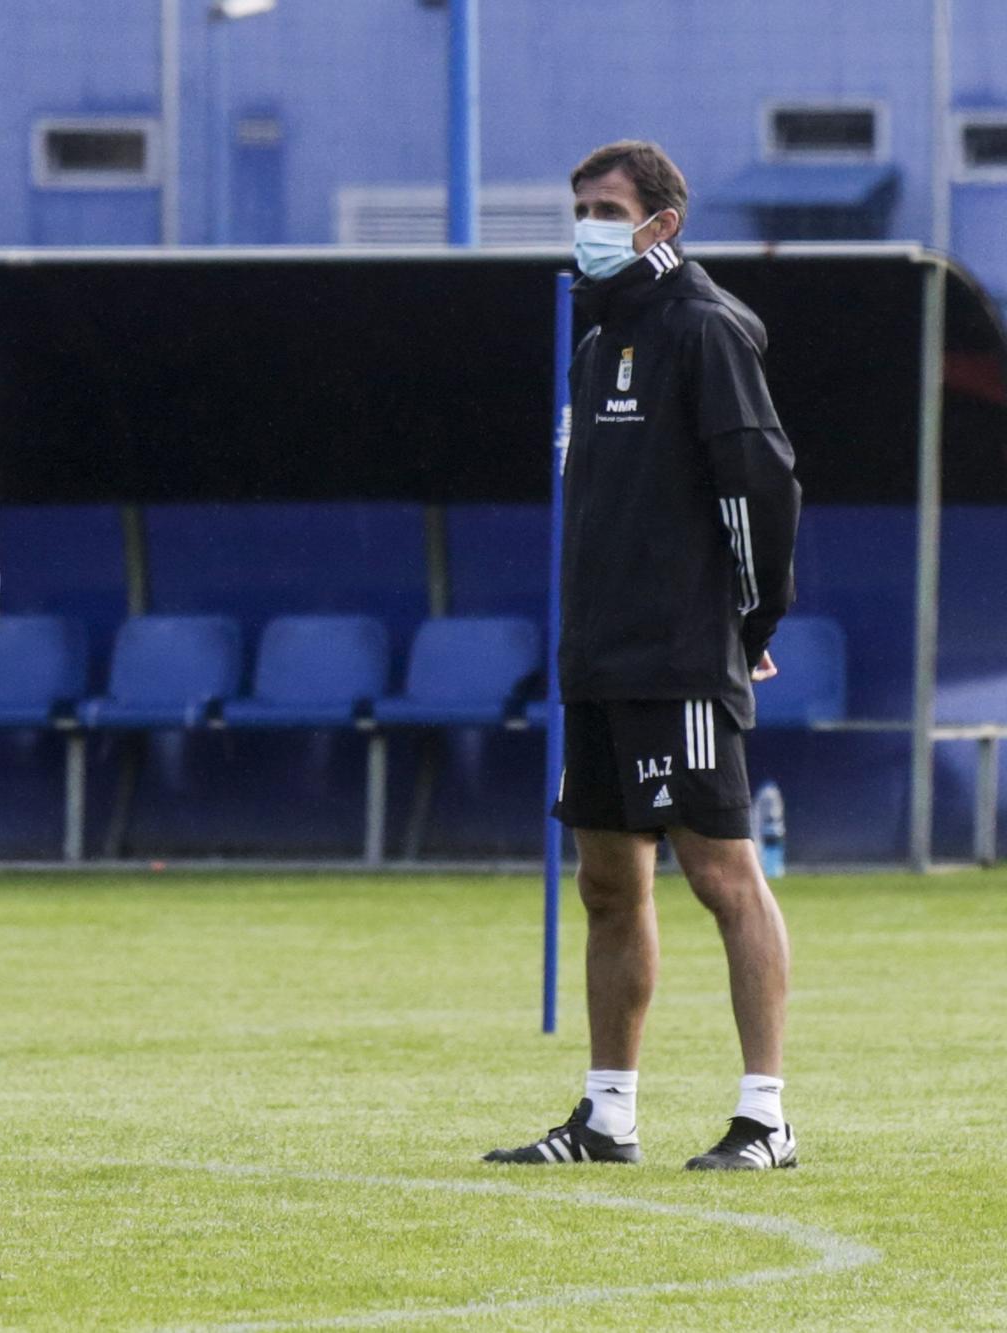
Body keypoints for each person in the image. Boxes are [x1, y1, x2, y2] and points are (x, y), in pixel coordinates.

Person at [485, 140, 803, 1171]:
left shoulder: (704, 332)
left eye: (604, 207)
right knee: (607, 887)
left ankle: (764, 1118)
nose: (585, 223)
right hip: (599, 661)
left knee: (721, 875)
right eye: (577, 205)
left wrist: (747, 628)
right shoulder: (592, 344)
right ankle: (605, 1115)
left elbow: (761, 488)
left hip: (680, 657)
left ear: (659, 224)